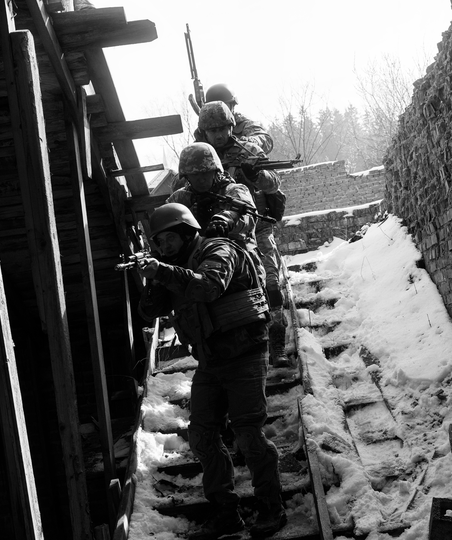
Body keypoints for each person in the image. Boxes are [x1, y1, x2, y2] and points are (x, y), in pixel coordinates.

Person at [137, 203, 287, 538]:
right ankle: (225, 510)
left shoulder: (219, 249)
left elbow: (209, 286)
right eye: (159, 243)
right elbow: (149, 311)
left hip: (246, 354)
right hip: (211, 361)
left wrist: (162, 270)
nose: (165, 248)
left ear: (187, 231)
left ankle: (271, 506)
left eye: (170, 239)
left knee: (248, 434)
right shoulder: (173, 267)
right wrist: (155, 276)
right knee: (203, 437)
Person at [196, 101, 291, 367]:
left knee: (270, 282)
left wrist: (256, 175)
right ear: (204, 132)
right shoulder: (201, 154)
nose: (218, 134)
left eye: (222, 128)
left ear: (231, 126)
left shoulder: (248, 149)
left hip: (257, 225)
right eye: (212, 130)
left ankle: (278, 344)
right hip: (222, 231)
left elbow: (275, 184)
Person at [167, 142, 265, 286]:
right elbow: (165, 229)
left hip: (241, 268)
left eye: (205, 172)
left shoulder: (234, 190)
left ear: (216, 170)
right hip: (198, 269)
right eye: (195, 174)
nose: (201, 178)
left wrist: (226, 220)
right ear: (186, 176)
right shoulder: (179, 199)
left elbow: (249, 216)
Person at [195, 83, 273, 155]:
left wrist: (251, 142)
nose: (220, 110)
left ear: (232, 106)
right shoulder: (203, 132)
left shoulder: (242, 123)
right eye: (213, 131)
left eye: (224, 106)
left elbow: (265, 139)